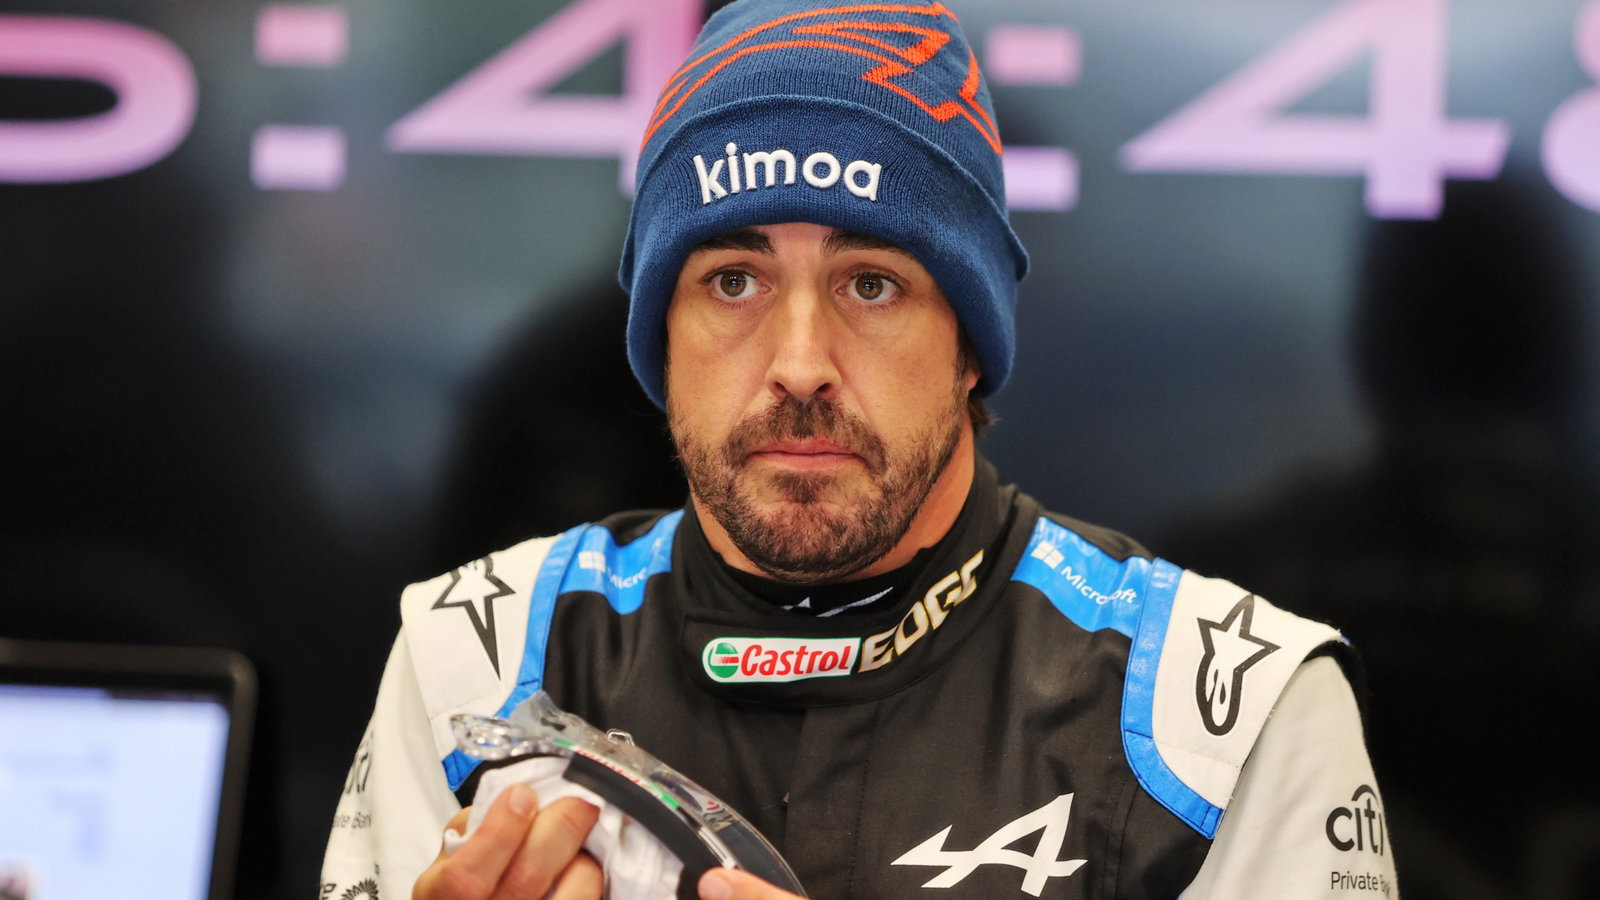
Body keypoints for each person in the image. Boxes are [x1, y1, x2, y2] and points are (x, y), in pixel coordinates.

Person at [322, 2, 1398, 897]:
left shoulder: (1224, 717)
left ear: (970, 345)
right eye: (731, 281)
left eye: (871, 283)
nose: (798, 363)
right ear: (662, 338)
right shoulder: (475, 663)